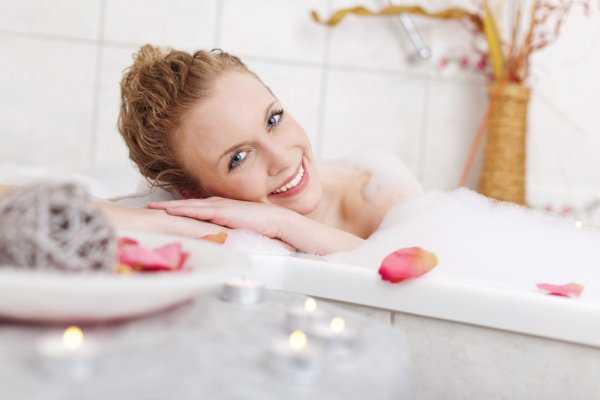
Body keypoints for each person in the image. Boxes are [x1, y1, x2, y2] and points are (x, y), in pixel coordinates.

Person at [3, 45, 424, 256]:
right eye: (238, 158)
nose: (282, 158)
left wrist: (285, 224)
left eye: (273, 119)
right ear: (193, 194)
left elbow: (431, 275)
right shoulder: (196, 215)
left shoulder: (375, 194)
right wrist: (154, 222)